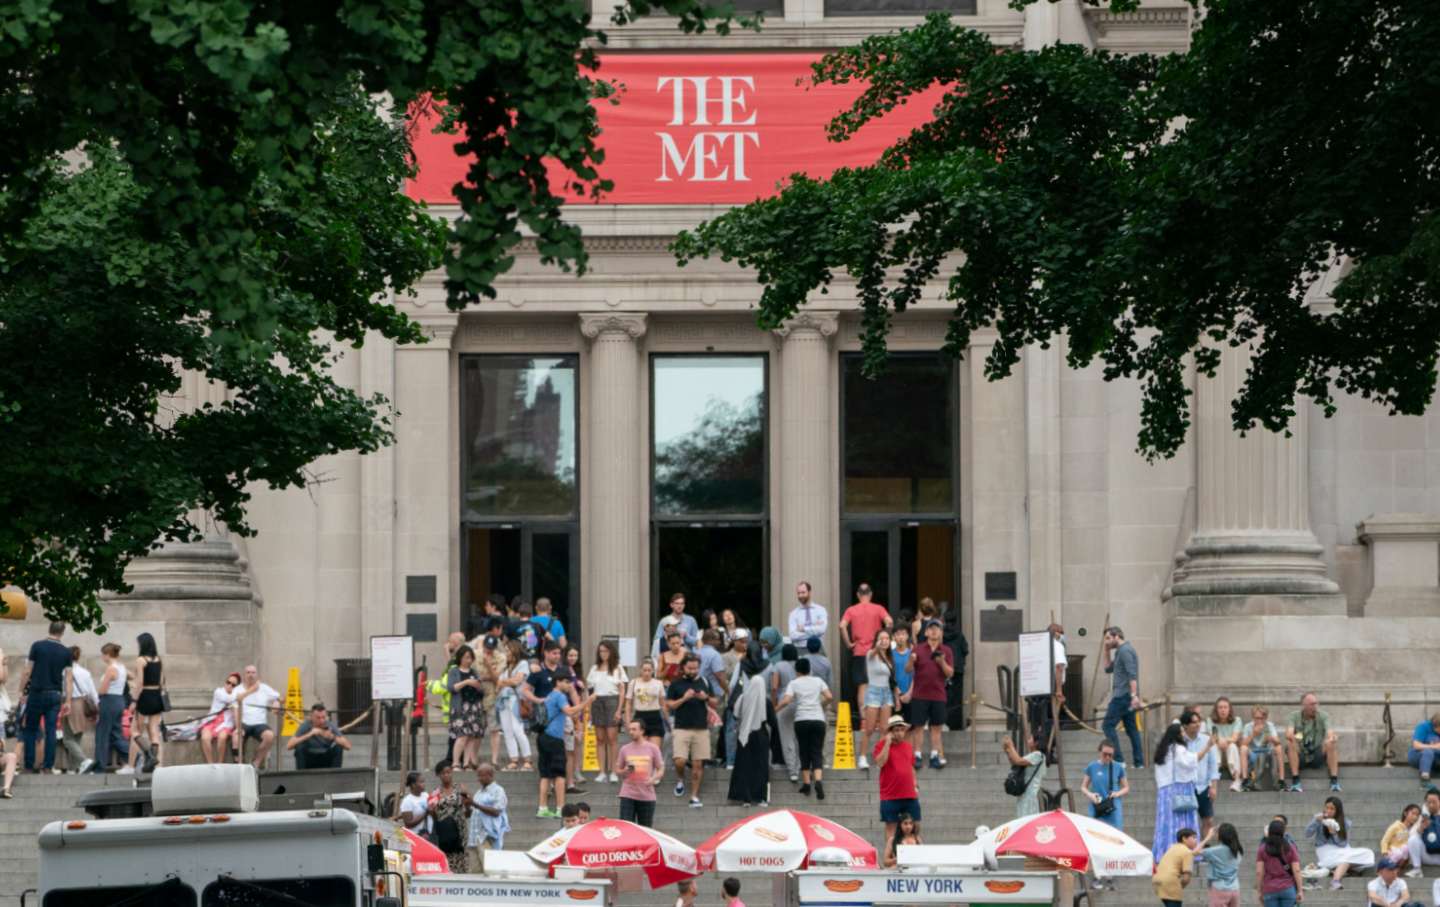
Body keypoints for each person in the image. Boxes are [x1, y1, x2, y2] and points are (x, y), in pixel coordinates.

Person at [1151, 712, 1211, 863]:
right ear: (1177, 735)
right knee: (1181, 822)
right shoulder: (1178, 749)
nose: (1184, 734)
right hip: (1179, 790)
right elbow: (1192, 761)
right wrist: (1208, 747)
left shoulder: (1162, 751)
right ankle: (1185, 853)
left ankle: (1164, 851)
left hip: (1165, 792)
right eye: (1182, 732)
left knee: (1166, 823)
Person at [17, 620, 71, 772]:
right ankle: (48, 766)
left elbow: (27, 670)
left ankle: (29, 765)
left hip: (36, 693)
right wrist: (68, 701)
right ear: (62, 632)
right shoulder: (66, 652)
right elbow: (68, 678)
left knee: (30, 729)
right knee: (51, 730)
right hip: (55, 694)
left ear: (49, 629)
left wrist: (21, 691)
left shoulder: (37, 646)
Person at [536, 671, 590, 819]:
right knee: (559, 774)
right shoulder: (560, 696)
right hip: (554, 739)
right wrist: (587, 701)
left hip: (543, 737)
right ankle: (560, 808)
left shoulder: (549, 696)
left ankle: (542, 808)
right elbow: (570, 711)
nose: (569, 685)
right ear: (558, 682)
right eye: (566, 681)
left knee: (545, 775)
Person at [666, 653, 717, 808]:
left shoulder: (705, 682)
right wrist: (685, 698)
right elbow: (670, 706)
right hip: (681, 727)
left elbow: (715, 702)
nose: (693, 671)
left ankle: (694, 796)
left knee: (697, 765)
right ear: (683, 667)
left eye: (696, 668)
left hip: (701, 728)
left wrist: (706, 698)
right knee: (680, 760)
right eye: (690, 668)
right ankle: (681, 779)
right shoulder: (676, 684)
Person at [779, 657, 832, 800]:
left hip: (802, 720)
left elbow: (787, 700)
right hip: (818, 720)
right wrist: (821, 705)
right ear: (809, 669)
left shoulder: (794, 683)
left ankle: (807, 783)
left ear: (797, 670)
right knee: (816, 750)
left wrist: (775, 708)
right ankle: (818, 781)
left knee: (804, 751)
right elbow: (829, 696)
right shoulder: (818, 681)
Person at [840, 583, 892, 715]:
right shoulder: (878, 608)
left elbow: (842, 626)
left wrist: (848, 643)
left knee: (862, 685)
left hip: (859, 652)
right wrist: (883, 639)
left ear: (858, 595)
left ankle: (864, 719)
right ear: (870, 594)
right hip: (876, 652)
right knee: (879, 684)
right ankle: (878, 719)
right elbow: (889, 622)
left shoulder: (851, 610)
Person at [908, 619, 953, 771]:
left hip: (938, 695)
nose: (934, 631)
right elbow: (908, 670)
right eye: (931, 628)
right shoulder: (918, 649)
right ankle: (918, 755)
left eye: (937, 629)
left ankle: (935, 755)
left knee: (936, 728)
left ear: (941, 633)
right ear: (926, 632)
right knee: (918, 727)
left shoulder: (946, 650)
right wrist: (911, 660)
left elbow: (950, 673)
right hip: (920, 694)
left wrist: (942, 662)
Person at [1305, 795, 1374, 889]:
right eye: (1327, 807)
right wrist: (1316, 821)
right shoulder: (1319, 818)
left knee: (1368, 853)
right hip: (1325, 850)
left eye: (1332, 809)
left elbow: (1343, 844)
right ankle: (1335, 881)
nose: (1328, 811)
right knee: (1345, 861)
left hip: (1343, 849)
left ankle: (1335, 869)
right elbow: (1307, 834)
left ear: (1338, 810)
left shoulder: (1345, 822)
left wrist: (1334, 833)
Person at [727, 662, 770, 807]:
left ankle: (744, 797)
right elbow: (771, 720)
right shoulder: (766, 701)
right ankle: (760, 797)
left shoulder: (742, 698)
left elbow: (735, 715)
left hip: (744, 735)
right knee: (760, 767)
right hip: (760, 735)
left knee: (744, 767)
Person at [874, 715, 921, 847]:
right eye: (896, 729)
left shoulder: (907, 746)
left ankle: (915, 853)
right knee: (891, 827)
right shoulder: (881, 745)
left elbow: (911, 767)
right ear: (890, 731)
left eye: (902, 729)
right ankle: (891, 855)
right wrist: (887, 743)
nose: (900, 732)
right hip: (890, 794)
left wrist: (915, 785)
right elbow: (880, 763)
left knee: (915, 825)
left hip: (909, 793)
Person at [1101, 626, 1144, 767]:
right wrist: (1106, 650)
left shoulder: (1125, 651)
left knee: (1107, 725)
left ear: (1116, 636)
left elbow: (1132, 675)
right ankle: (1139, 763)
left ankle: (1119, 760)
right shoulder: (1120, 651)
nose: (1106, 641)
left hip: (1123, 696)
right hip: (1126, 696)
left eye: (1108, 638)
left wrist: (1134, 696)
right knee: (1131, 729)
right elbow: (1108, 668)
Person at [587, 640, 628, 783]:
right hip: (597, 702)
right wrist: (589, 710)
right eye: (601, 651)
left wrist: (619, 710)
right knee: (599, 739)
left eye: (605, 651)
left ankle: (614, 771)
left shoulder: (618, 668)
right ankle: (602, 771)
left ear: (611, 652)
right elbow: (590, 689)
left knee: (612, 739)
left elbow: (622, 691)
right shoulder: (594, 668)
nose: (603, 654)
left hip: (612, 701)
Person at [125, 632, 166, 772]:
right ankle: (151, 763)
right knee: (154, 731)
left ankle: (149, 755)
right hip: (156, 696)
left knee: (135, 730)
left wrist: (134, 700)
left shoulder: (141, 660)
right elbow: (161, 681)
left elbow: (140, 683)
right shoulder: (158, 659)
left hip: (145, 697)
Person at [1286, 692, 1340, 793]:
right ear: (1304, 705)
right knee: (1290, 743)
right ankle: (1296, 781)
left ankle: (1334, 782)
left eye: (1316, 703)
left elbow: (1330, 732)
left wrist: (1332, 737)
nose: (1315, 707)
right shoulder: (1294, 716)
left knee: (1330, 743)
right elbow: (1288, 733)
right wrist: (1296, 737)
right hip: (1300, 753)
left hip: (1317, 753)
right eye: (1311, 704)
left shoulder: (1323, 716)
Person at [616, 717, 664, 827]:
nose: (631, 732)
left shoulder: (653, 748)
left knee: (646, 830)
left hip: (647, 794)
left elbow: (661, 768)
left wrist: (653, 779)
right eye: (629, 729)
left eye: (634, 729)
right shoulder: (625, 749)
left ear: (642, 731)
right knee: (626, 828)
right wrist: (624, 771)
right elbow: (617, 770)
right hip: (628, 793)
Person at [495, 640, 533, 772]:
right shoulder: (506, 667)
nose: (506, 653)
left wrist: (503, 682)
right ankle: (514, 759)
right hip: (503, 700)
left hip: (516, 699)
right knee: (507, 731)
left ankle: (527, 759)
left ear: (515, 651)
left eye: (508, 650)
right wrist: (505, 682)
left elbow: (517, 680)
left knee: (517, 729)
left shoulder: (522, 664)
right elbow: (498, 684)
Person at [235, 664, 281, 770]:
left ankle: (256, 761)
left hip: (259, 723)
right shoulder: (238, 689)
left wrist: (276, 702)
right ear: (244, 675)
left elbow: (280, 697)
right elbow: (237, 700)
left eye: (253, 673)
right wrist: (252, 690)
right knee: (236, 737)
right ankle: (240, 766)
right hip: (244, 722)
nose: (251, 675)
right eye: (248, 673)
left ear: (257, 675)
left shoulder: (264, 688)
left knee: (270, 736)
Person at [428, 760, 470, 871]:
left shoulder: (460, 789)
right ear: (438, 775)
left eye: (448, 772)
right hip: (444, 832)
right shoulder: (435, 793)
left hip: (460, 830)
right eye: (443, 773)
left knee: (460, 859)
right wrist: (431, 811)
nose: (446, 775)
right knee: (446, 859)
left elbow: (468, 813)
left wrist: (468, 804)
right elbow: (434, 817)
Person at [92, 643, 129, 772]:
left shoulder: (111, 669)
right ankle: (135, 757)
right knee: (115, 734)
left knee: (102, 734)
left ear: (107, 654)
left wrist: (96, 695)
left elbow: (102, 690)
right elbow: (132, 678)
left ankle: (99, 766)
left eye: (103, 654)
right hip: (119, 700)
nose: (102, 657)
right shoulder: (122, 667)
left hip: (109, 700)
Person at [61, 645, 97, 773]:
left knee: (67, 739)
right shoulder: (85, 672)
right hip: (84, 705)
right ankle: (74, 768)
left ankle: (84, 761)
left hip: (70, 703)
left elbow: (63, 689)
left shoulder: (64, 671)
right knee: (76, 738)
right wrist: (97, 707)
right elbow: (92, 691)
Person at [695, 630, 729, 766]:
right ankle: (709, 757)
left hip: (698, 695)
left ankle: (697, 756)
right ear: (712, 640)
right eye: (718, 639)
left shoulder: (696, 653)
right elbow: (720, 676)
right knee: (714, 727)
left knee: (700, 726)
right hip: (713, 696)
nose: (720, 642)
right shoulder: (714, 655)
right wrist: (728, 690)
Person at [768, 642, 800, 782]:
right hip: (800, 704)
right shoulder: (800, 665)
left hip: (784, 704)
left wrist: (774, 705)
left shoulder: (778, 666)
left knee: (787, 737)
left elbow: (774, 688)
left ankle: (793, 770)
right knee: (798, 737)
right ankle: (801, 766)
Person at [1082, 740, 1130, 830]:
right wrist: (1090, 795)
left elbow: (1126, 787)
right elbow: (1083, 787)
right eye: (1105, 754)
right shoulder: (1092, 766)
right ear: (1099, 752)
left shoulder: (1118, 767)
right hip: (1096, 806)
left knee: (1115, 836)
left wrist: (1117, 794)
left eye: (1110, 755)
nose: (1107, 757)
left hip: (1113, 807)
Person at [467, 762, 509, 866]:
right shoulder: (478, 792)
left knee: (490, 869)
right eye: (478, 775)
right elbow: (469, 814)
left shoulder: (498, 791)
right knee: (475, 874)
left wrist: (475, 804)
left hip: (488, 838)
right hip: (474, 838)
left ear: (490, 775)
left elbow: (496, 812)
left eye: (481, 775)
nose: (479, 778)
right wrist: (467, 805)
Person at [287, 703, 351, 769]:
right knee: (299, 747)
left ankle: (334, 776)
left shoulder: (330, 725)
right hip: (310, 758)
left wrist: (332, 737)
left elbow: (348, 746)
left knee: (338, 747)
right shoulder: (305, 725)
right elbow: (289, 746)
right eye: (318, 718)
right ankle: (301, 776)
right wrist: (310, 734)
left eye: (323, 717)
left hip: (325, 757)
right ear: (311, 717)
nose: (321, 720)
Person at [1256, 818, 1304, 907]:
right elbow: (1296, 870)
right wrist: (1300, 890)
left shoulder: (1262, 849)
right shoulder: (1290, 847)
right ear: (1283, 832)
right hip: (1288, 888)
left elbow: (1259, 872)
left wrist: (1259, 891)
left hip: (1269, 889)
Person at [1189, 712, 1221, 838]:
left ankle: (1205, 847)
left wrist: (1213, 786)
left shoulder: (1207, 740)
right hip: (1187, 786)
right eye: (1193, 722)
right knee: (1188, 821)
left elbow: (1213, 764)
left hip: (1203, 786)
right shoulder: (1181, 741)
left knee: (1208, 820)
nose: (1197, 725)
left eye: (1198, 722)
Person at [1240, 705, 1286, 791]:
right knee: (1243, 748)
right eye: (1257, 718)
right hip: (1253, 752)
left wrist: (1271, 738)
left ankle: (1281, 780)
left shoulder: (1269, 725)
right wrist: (1253, 734)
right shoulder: (1248, 726)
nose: (1259, 721)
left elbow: (1278, 742)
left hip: (1266, 752)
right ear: (1253, 717)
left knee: (1279, 748)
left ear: (1266, 718)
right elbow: (1243, 744)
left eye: (1262, 718)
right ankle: (1245, 780)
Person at [626, 657, 667, 751]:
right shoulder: (634, 683)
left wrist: (667, 720)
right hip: (639, 716)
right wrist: (628, 722)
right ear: (641, 670)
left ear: (653, 671)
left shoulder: (658, 683)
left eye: (649, 670)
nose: (647, 673)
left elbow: (663, 704)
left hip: (655, 716)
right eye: (644, 670)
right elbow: (628, 704)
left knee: (654, 749)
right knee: (641, 750)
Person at [199, 672, 240, 765]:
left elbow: (236, 713)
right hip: (211, 721)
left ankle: (220, 763)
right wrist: (236, 698)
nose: (229, 685)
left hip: (225, 724)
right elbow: (227, 698)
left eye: (233, 685)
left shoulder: (235, 697)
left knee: (222, 738)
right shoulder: (218, 691)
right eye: (228, 682)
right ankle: (210, 764)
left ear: (236, 687)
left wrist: (238, 728)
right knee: (205, 738)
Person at [1002, 734, 1047, 818]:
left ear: (1036, 742)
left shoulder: (1038, 755)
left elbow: (1018, 760)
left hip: (1031, 795)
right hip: (1025, 793)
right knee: (1023, 818)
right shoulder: (1032, 755)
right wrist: (1008, 750)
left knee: (1028, 819)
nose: (1028, 740)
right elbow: (1015, 762)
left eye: (1030, 738)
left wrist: (1011, 746)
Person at [1153, 828, 1199, 907]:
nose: (1196, 841)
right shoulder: (1187, 852)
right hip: (1170, 881)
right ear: (1184, 838)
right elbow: (1186, 878)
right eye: (1194, 838)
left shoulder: (1173, 848)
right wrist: (1179, 887)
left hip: (1157, 880)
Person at [1201, 823, 1244, 907]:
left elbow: (1195, 851)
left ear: (1221, 835)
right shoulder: (1238, 851)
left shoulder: (1215, 851)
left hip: (1219, 888)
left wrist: (1208, 837)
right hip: (1235, 888)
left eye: (1217, 832)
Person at [1208, 697, 1245, 791]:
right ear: (1216, 710)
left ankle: (1237, 780)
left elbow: (1235, 738)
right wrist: (1220, 741)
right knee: (1214, 747)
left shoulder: (1237, 720)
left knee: (1232, 746)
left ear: (1229, 709)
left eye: (1225, 707)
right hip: (1218, 755)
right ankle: (1213, 779)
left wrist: (1223, 740)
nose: (1223, 710)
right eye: (1220, 707)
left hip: (1231, 755)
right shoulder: (1210, 720)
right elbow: (1213, 737)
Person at [652, 592, 699, 659]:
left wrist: (686, 636)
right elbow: (656, 641)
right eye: (677, 603)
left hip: (686, 659)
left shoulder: (691, 620)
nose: (679, 606)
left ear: (684, 605)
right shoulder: (664, 621)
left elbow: (697, 642)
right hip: (668, 658)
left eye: (682, 603)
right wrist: (668, 636)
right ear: (671, 605)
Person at [1405, 787, 1440, 876]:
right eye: (1429, 802)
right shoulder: (1422, 817)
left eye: (1434, 802)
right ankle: (1417, 869)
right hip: (1427, 856)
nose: (1431, 805)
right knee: (1413, 839)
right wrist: (1421, 828)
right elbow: (1411, 837)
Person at [787, 581, 828, 649]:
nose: (800, 595)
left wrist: (803, 629)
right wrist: (815, 630)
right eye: (798, 593)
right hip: (800, 650)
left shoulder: (821, 610)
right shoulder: (793, 614)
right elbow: (793, 636)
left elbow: (822, 630)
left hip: (818, 650)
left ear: (809, 592)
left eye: (803, 592)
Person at [1379, 803, 1420, 870]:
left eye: (1417, 815)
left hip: (1404, 857)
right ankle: (1390, 868)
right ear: (1405, 813)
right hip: (1392, 854)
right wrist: (1385, 853)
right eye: (1413, 813)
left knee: (1406, 848)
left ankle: (1397, 869)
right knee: (1401, 851)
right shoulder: (1396, 826)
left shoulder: (1414, 830)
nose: (1415, 817)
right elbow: (1384, 841)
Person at [1409, 713, 1440, 784]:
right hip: (1418, 755)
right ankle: (1425, 779)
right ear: (1436, 726)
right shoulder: (1423, 727)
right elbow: (1416, 745)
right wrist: (1435, 746)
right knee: (1428, 752)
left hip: (1436, 758)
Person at [398, 770, 431, 835]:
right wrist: (425, 814)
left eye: (424, 781)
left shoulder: (426, 795)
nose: (424, 784)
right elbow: (408, 824)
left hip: (428, 834)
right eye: (421, 782)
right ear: (413, 785)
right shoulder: (407, 801)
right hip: (416, 836)